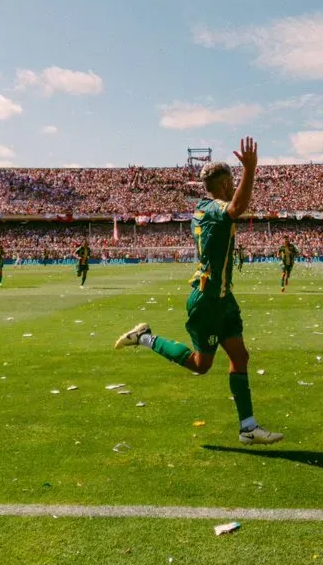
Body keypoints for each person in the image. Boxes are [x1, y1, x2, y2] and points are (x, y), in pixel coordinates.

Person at [114, 137, 282, 445]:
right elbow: (237, 207)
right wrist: (251, 169)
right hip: (207, 300)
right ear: (224, 183)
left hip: (222, 298)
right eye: (232, 182)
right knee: (201, 365)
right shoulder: (216, 207)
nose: (234, 186)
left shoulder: (203, 209)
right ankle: (145, 337)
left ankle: (248, 427)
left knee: (239, 356)